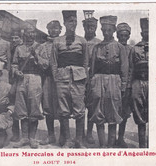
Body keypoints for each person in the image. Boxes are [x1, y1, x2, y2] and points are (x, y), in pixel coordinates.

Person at [88, 15, 128, 148]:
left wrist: (122, 86)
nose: (106, 33)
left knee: (113, 114)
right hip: (98, 80)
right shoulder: (96, 47)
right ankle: (102, 146)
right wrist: (92, 84)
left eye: (109, 30)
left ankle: (110, 147)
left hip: (114, 80)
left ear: (114, 30)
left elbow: (124, 69)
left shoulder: (119, 47)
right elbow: (92, 69)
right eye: (104, 30)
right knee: (98, 113)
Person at [51, 10, 88, 148]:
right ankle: (67, 140)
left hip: (78, 79)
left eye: (75, 21)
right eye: (70, 21)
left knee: (79, 110)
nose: (73, 24)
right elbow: (54, 62)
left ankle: (79, 140)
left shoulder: (82, 41)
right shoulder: (57, 41)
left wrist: (85, 81)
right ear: (65, 23)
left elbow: (85, 63)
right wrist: (56, 79)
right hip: (62, 79)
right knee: (64, 110)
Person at [12, 20, 48, 149]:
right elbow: (14, 64)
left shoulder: (41, 47)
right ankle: (24, 138)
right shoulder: (19, 48)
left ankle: (32, 138)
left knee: (33, 108)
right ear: (24, 33)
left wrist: (36, 56)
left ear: (35, 33)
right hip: (22, 79)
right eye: (28, 32)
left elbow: (45, 65)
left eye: (33, 32)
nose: (30, 35)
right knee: (21, 107)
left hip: (35, 78)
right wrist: (16, 71)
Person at [39, 20, 62, 145]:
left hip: (62, 79)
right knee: (47, 106)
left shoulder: (64, 44)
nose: (54, 31)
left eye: (56, 28)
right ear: (48, 30)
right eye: (51, 28)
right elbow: (41, 63)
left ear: (60, 30)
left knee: (63, 106)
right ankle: (51, 135)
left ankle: (64, 136)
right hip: (48, 79)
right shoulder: (42, 46)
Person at [129, 18, 149, 148]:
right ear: (142, 33)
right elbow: (130, 68)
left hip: (154, 82)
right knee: (139, 113)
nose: (148, 34)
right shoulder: (135, 49)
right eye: (145, 31)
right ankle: (142, 146)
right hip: (138, 82)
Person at [82, 14, 102, 145]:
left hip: (93, 76)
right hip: (79, 76)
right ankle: (80, 133)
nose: (90, 29)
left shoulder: (99, 43)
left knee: (91, 106)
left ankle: (89, 133)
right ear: (84, 27)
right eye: (88, 27)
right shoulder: (79, 41)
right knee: (78, 106)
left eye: (93, 27)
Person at [116, 22, 133, 148]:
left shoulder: (131, 49)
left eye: (125, 35)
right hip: (114, 84)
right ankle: (110, 138)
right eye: (121, 35)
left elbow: (132, 68)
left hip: (127, 86)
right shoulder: (113, 47)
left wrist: (127, 85)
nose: (123, 38)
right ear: (117, 35)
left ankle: (120, 138)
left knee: (124, 113)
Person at [9, 27, 23, 142]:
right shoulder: (9, 48)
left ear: (21, 38)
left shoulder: (22, 49)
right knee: (12, 105)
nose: (14, 40)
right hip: (10, 80)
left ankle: (26, 135)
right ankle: (15, 133)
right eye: (12, 38)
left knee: (22, 106)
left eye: (16, 38)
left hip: (20, 79)